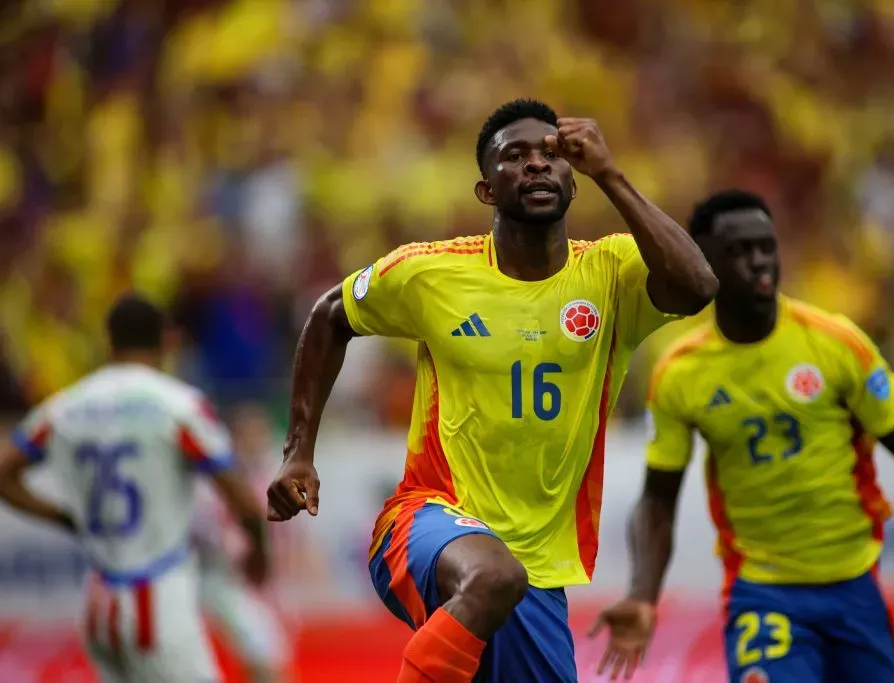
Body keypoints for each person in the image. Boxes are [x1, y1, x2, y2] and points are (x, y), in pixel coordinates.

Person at [266, 98, 719, 683]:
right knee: (494, 576)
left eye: (551, 155)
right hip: (427, 521)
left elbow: (698, 286)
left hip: (538, 570)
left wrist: (610, 173)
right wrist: (298, 451)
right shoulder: (430, 273)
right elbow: (331, 315)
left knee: (505, 579)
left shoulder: (613, 274)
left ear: (572, 181)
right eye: (515, 156)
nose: (537, 165)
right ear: (487, 191)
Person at [590, 189, 894, 682]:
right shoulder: (681, 373)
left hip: (854, 584)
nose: (760, 261)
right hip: (761, 592)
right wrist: (643, 593)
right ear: (704, 262)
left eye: (766, 247)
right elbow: (658, 499)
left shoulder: (835, 342)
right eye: (740, 251)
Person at [0, 293, 269, 683]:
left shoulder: (65, 407)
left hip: (98, 599)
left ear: (109, 342)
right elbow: (241, 499)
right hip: (158, 594)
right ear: (167, 340)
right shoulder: (178, 406)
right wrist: (258, 551)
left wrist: (65, 517)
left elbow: (5, 473)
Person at [192, 404, 291, 683]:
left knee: (271, 656)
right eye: (248, 435)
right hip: (226, 578)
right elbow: (206, 529)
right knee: (264, 655)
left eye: (260, 435)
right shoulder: (215, 482)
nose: (254, 442)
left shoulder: (270, 475)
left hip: (260, 581)